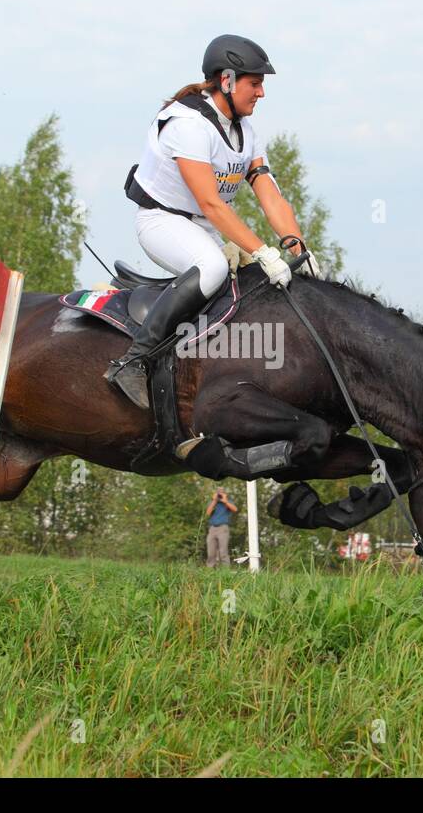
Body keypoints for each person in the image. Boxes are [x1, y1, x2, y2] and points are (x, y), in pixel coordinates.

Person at [105, 33, 321, 409]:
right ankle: (133, 360)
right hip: (161, 222)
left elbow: (269, 194)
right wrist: (262, 251)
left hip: (200, 227)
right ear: (227, 80)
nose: (261, 93)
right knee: (212, 268)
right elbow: (212, 203)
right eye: (255, 83)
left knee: (251, 283)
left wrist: (296, 246)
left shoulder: (245, 133)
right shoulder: (186, 124)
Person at [204, 487, 238, 568]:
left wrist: (225, 501)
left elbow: (235, 509)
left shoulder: (228, 502)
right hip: (212, 528)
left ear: (225, 494)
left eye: (221, 492)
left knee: (223, 551)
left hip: (223, 528)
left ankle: (225, 570)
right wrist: (214, 500)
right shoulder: (212, 502)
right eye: (218, 492)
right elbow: (208, 513)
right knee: (211, 551)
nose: (219, 494)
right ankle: (210, 569)